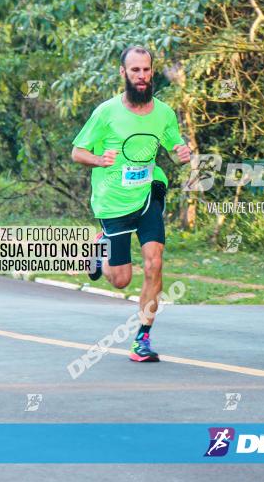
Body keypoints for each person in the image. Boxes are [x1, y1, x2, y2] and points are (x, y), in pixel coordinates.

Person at [71, 46, 191, 361]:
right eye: (135, 70)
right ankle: (102, 247)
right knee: (121, 278)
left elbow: (172, 142)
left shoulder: (164, 113)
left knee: (154, 263)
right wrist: (98, 159)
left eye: (146, 70)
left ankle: (142, 339)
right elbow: (77, 152)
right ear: (123, 74)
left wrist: (181, 152)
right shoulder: (106, 112)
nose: (141, 76)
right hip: (113, 202)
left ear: (152, 73)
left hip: (148, 193)